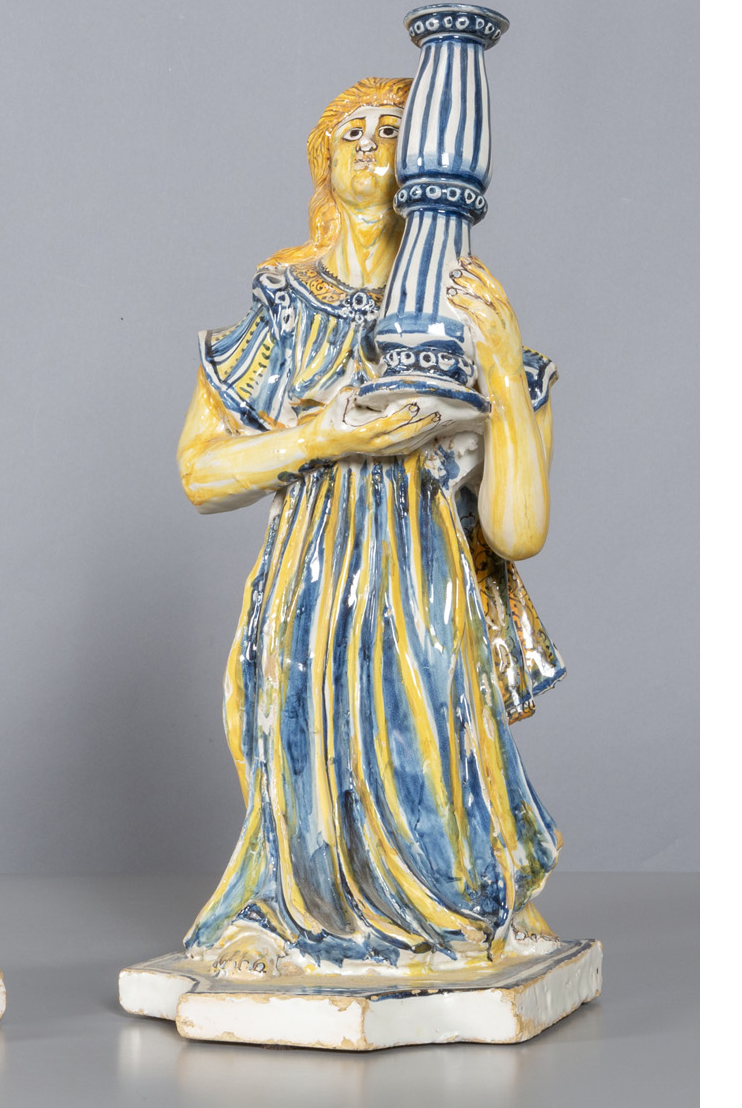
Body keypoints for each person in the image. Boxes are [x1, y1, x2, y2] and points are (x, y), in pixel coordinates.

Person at [176, 76, 565, 975]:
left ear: (431, 163)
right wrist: (320, 437)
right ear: (322, 161)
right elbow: (200, 473)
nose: (368, 141)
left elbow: (518, 532)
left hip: (429, 580)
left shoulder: (470, 317)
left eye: (394, 128)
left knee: (435, 744)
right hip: (312, 580)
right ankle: (285, 914)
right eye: (351, 128)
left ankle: (470, 908)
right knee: (302, 742)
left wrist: (502, 368)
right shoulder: (286, 303)